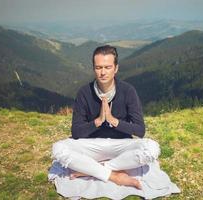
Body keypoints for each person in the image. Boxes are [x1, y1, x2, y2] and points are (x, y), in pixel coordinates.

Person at [51, 45, 161, 190]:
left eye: (107, 67)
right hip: (92, 146)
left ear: (116, 68)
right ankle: (114, 176)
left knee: (152, 148)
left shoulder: (128, 91)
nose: (103, 72)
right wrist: (98, 121)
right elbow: (76, 133)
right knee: (58, 149)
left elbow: (140, 130)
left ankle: (96, 169)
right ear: (93, 68)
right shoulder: (84, 93)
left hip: (121, 145)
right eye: (98, 67)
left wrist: (113, 120)